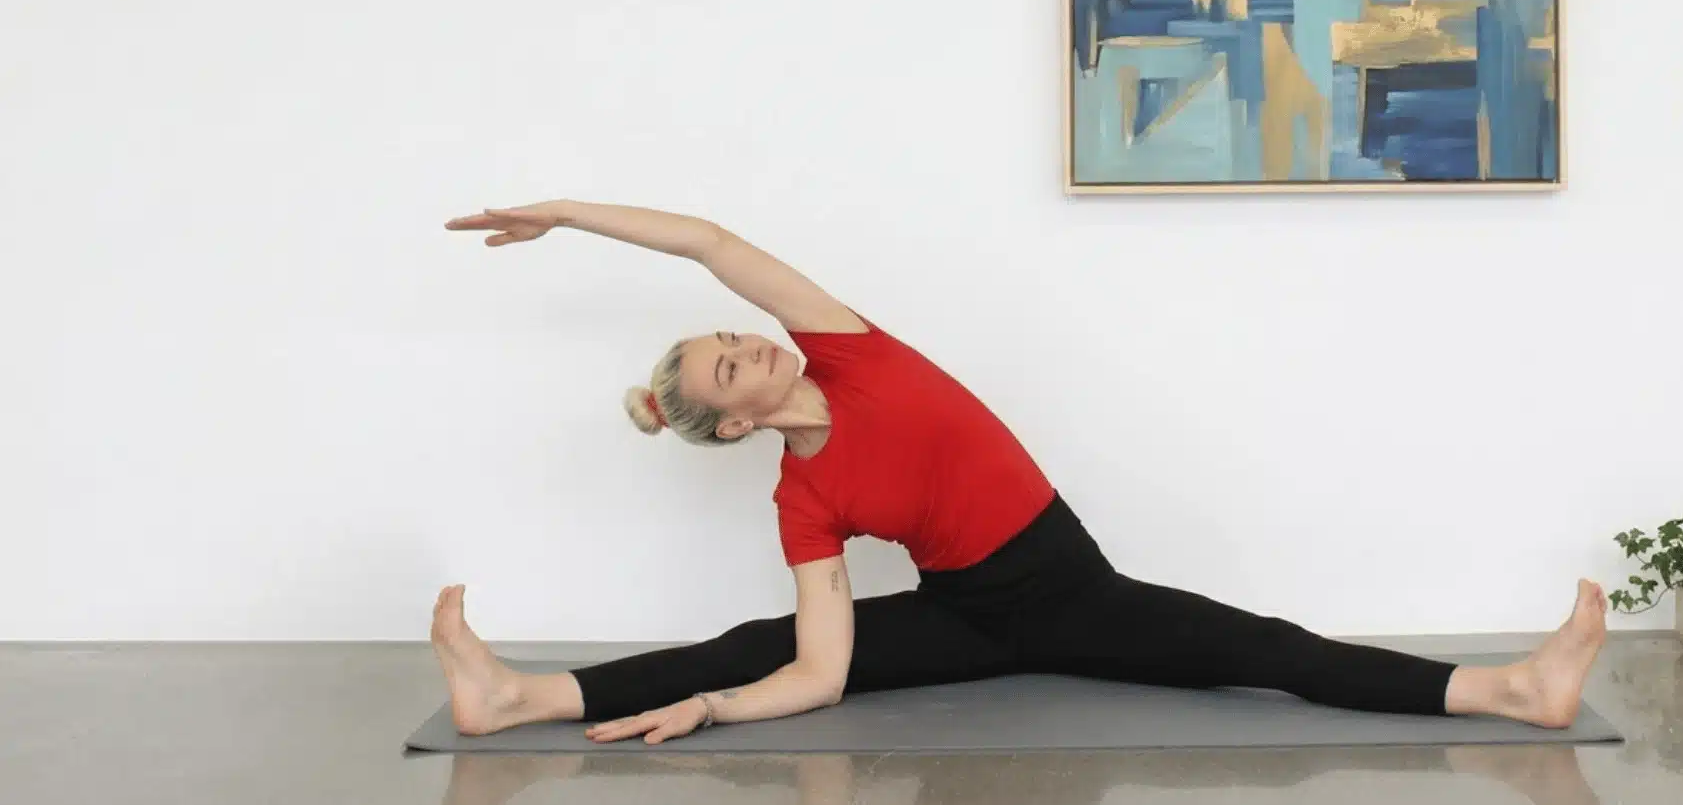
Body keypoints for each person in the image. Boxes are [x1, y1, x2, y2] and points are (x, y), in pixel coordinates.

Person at [432, 199, 1608, 746]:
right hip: (971, 620)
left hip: (1070, 594)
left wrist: (571, 217)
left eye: (733, 336)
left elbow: (711, 241)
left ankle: (1511, 692)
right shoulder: (805, 498)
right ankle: (519, 699)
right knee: (751, 642)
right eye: (729, 365)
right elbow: (823, 672)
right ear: (732, 424)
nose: (747, 344)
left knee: (1260, 649)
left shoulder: (848, 345)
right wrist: (717, 706)